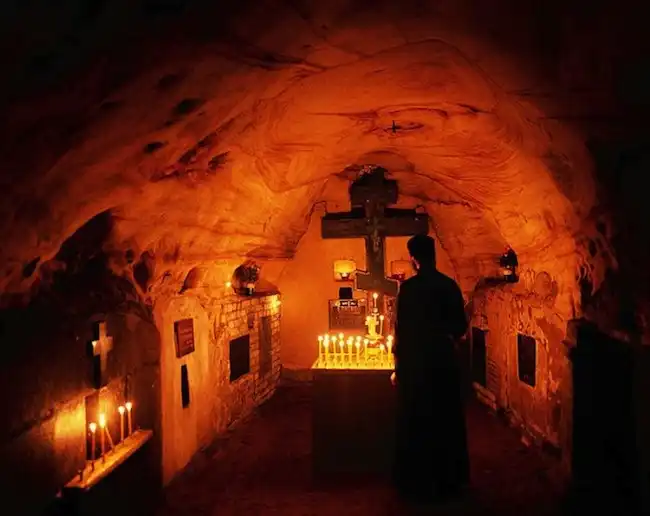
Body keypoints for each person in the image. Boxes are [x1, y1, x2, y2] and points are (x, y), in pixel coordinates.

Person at [391, 234, 469, 504]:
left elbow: (401, 331)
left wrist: (398, 367)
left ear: (413, 259)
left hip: (415, 363)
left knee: (416, 418)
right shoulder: (449, 286)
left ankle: (416, 480)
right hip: (442, 361)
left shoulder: (409, 290)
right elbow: (459, 326)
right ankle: (448, 478)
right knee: (445, 418)